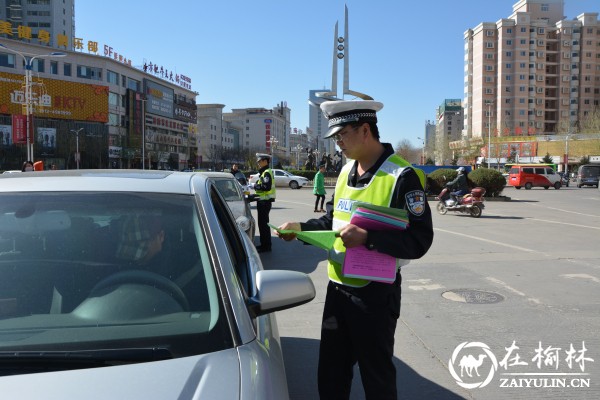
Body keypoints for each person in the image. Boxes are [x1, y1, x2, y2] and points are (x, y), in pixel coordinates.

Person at [276, 99, 433, 399]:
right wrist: (301, 229)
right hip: (338, 290)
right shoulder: (347, 172)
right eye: (335, 139)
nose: (338, 145)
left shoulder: (402, 176)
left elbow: (420, 240)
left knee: (377, 378)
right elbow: (332, 221)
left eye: (341, 136)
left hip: (375, 295)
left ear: (364, 130)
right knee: (331, 374)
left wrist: (369, 238)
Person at [253, 153, 276, 253]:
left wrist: (255, 186)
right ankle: (264, 245)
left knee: (263, 225)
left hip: (264, 202)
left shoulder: (266, 172)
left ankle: (266, 246)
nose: (258, 163)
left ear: (265, 161)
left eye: (259, 161)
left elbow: (266, 187)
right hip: (263, 201)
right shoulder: (264, 172)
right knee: (262, 225)